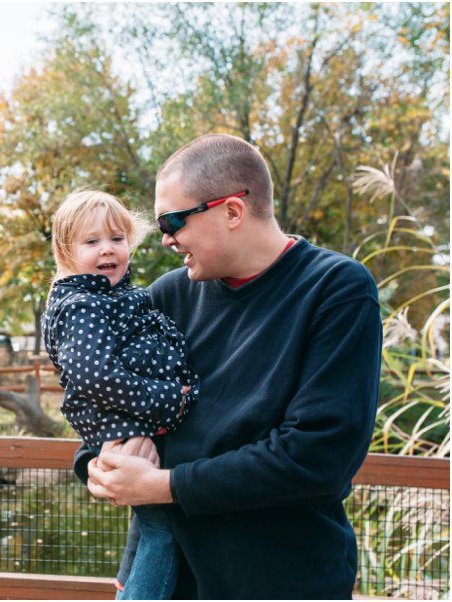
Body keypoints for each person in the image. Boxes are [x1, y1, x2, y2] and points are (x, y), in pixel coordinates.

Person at [78, 133, 381, 598]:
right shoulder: (167, 295)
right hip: (168, 578)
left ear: (232, 211)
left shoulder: (336, 289)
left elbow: (319, 456)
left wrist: (166, 485)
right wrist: (100, 460)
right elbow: (109, 404)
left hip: (282, 580)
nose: (165, 238)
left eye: (174, 220)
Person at [41, 191, 197, 599]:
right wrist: (167, 401)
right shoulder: (81, 305)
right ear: (65, 250)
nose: (107, 250)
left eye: (117, 238)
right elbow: (94, 376)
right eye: (91, 242)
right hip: (125, 428)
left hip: (133, 425)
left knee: (156, 530)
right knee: (161, 533)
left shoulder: (110, 297)